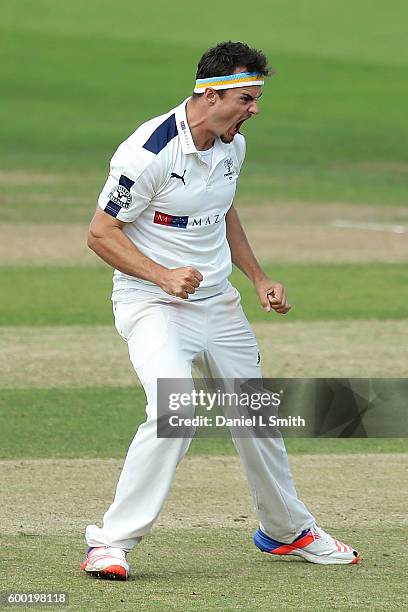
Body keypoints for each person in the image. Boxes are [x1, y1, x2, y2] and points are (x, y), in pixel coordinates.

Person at [82, 41, 360, 580]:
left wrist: (258, 278)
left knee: (255, 416)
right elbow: (100, 233)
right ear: (209, 96)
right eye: (247, 98)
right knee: (175, 412)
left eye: (258, 98)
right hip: (153, 304)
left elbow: (221, 211)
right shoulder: (147, 153)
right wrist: (162, 275)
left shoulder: (232, 144)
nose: (256, 108)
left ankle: (286, 532)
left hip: (220, 307)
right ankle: (110, 543)